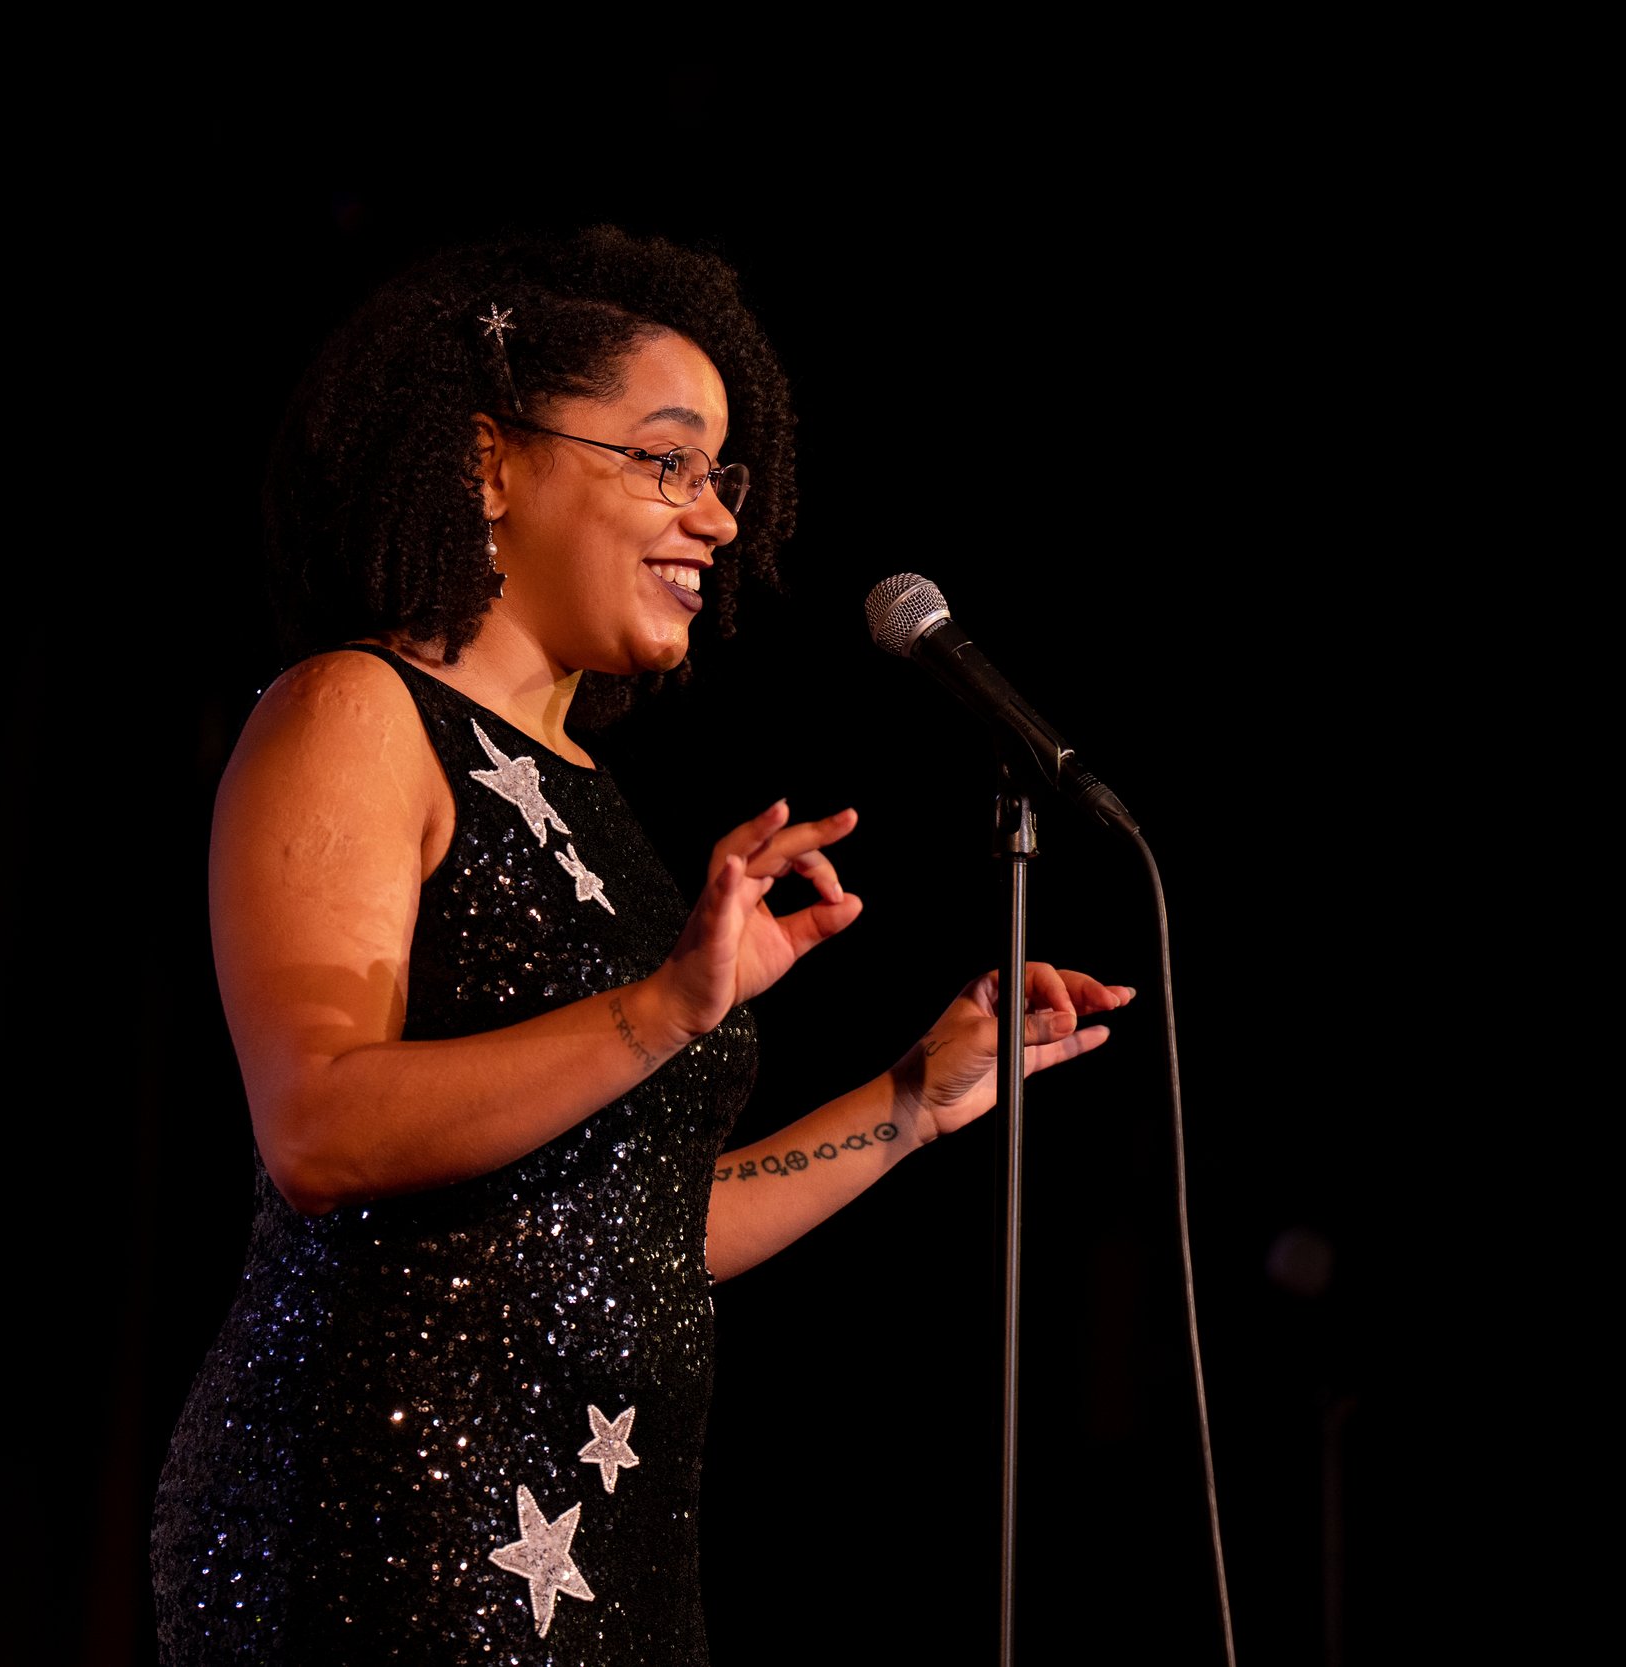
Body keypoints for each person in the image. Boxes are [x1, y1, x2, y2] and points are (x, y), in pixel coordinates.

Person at [149, 224, 1132, 1664]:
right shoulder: (352, 714)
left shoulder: (593, 803)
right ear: (491, 462)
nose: (719, 519)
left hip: (608, 1542)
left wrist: (908, 1108)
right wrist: (671, 1006)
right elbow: (321, 1125)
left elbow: (623, 1241)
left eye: (719, 476)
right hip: (383, 1530)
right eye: (666, 461)